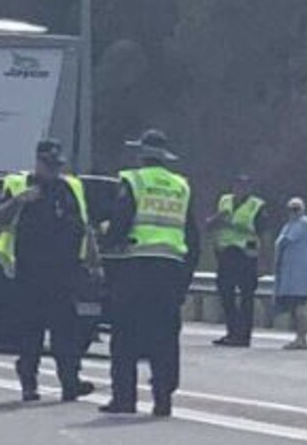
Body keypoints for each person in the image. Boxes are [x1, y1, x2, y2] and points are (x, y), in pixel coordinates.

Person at [99, 129, 200, 418]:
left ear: (142, 155)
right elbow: (192, 238)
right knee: (165, 337)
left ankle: (125, 398)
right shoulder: (181, 186)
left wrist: (107, 239)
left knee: (125, 334)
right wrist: (185, 278)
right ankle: (163, 400)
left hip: (137, 267)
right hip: (170, 269)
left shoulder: (134, 180)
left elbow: (121, 222)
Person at [0, 139, 96, 403]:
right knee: (30, 333)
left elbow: (83, 226)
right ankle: (29, 383)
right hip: (30, 272)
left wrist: (92, 261)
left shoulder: (68, 188)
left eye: (57, 165)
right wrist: (19, 201)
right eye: (48, 165)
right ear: (38, 163)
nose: (53, 170)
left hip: (63, 272)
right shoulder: (19, 186)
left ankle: (70, 382)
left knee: (67, 332)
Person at [207, 174, 268, 347]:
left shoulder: (257, 206)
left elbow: (263, 233)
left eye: (244, 186)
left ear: (249, 188)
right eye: (237, 185)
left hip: (246, 255)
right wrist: (217, 218)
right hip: (226, 254)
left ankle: (243, 336)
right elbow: (212, 225)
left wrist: (264, 260)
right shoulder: (224, 201)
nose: (240, 189)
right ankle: (232, 331)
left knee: (246, 296)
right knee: (226, 294)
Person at [274, 197, 307, 351]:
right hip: (288, 271)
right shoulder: (288, 225)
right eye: (291, 208)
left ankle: (302, 338)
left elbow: (285, 240)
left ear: (302, 209)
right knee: (292, 305)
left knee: (299, 304)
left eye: (297, 208)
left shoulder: (304, 223)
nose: (294, 211)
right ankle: (298, 337)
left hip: (300, 272)